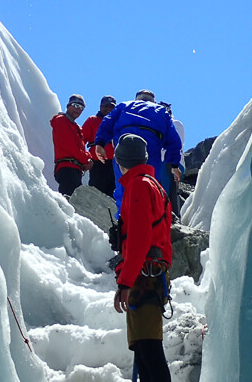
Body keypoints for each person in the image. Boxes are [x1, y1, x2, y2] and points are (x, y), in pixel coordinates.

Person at [112, 133, 172, 382]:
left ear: (121, 161)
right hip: (154, 274)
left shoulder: (137, 185)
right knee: (145, 349)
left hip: (142, 276)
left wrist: (125, 282)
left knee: (148, 349)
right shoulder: (155, 185)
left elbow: (138, 238)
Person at [94, 89, 182, 213]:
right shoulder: (161, 111)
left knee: (123, 187)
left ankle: (123, 222)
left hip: (124, 144)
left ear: (137, 98)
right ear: (153, 101)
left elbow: (107, 122)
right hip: (150, 147)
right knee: (150, 185)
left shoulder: (124, 105)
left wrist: (100, 143)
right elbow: (174, 140)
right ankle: (147, 221)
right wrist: (174, 165)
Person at [50, 94, 92, 196]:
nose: (78, 109)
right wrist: (87, 159)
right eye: (75, 105)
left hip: (75, 169)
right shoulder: (61, 120)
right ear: (68, 106)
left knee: (74, 201)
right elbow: (69, 145)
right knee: (69, 199)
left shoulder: (76, 127)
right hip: (67, 168)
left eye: (81, 108)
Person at [81, 95, 117, 197]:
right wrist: (85, 158)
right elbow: (81, 140)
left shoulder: (117, 123)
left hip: (114, 163)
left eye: (111, 107)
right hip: (97, 161)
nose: (108, 109)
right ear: (100, 106)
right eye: (106, 106)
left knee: (113, 192)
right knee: (97, 190)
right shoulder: (92, 120)